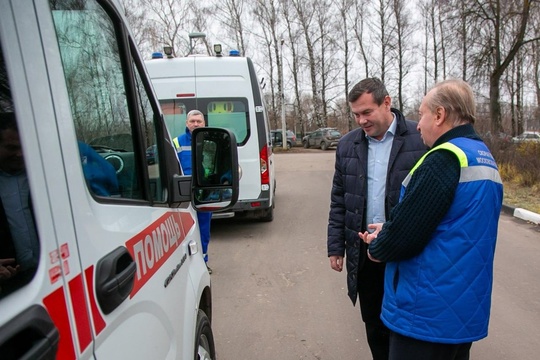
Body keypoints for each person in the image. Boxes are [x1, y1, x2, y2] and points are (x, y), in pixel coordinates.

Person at [361, 79, 503, 360]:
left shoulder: (443, 159)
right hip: (461, 308)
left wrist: (378, 247)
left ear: (440, 116)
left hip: (425, 312)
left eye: (422, 113)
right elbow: (449, 225)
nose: (417, 124)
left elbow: (404, 237)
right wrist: (393, 227)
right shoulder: (481, 156)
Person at [327, 78, 426, 360]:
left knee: (407, 327)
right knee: (374, 326)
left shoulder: (420, 139)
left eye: (367, 112)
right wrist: (336, 246)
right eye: (356, 114)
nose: (361, 120)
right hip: (365, 251)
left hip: (406, 253)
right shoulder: (348, 145)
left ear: (386, 102)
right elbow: (339, 199)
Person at [0, 112, 39, 294]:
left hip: (52, 274)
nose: (20, 153)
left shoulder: (47, 176)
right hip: (9, 285)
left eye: (24, 146)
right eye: (11, 147)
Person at [174, 109, 213, 273]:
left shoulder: (211, 142)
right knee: (184, 231)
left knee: (204, 230)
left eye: (199, 121)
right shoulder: (176, 142)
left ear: (204, 123)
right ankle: (184, 266)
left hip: (204, 193)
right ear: (186, 123)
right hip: (183, 194)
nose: (195, 124)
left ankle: (203, 262)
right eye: (192, 121)